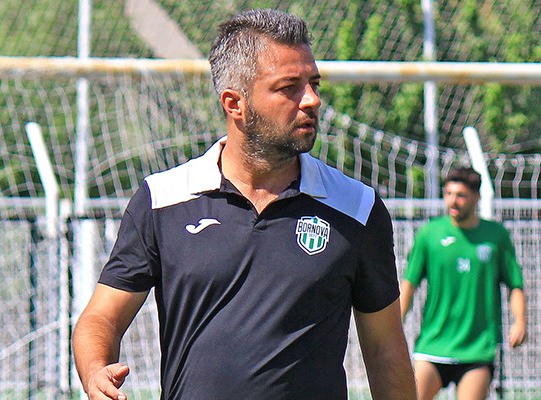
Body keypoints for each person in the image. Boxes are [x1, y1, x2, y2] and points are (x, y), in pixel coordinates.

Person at [72, 8, 416, 400]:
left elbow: (385, 349)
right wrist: (95, 371)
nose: (312, 100)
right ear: (235, 104)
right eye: (289, 87)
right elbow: (101, 317)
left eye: (314, 83)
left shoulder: (356, 208)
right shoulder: (163, 199)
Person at [400, 167, 527, 400]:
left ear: (476, 197)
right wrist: (394, 324)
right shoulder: (429, 234)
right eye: (448, 194)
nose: (453, 201)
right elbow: (409, 285)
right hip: (433, 346)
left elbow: (515, 285)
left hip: (476, 349)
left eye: (460, 195)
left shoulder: (496, 236)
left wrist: (520, 321)